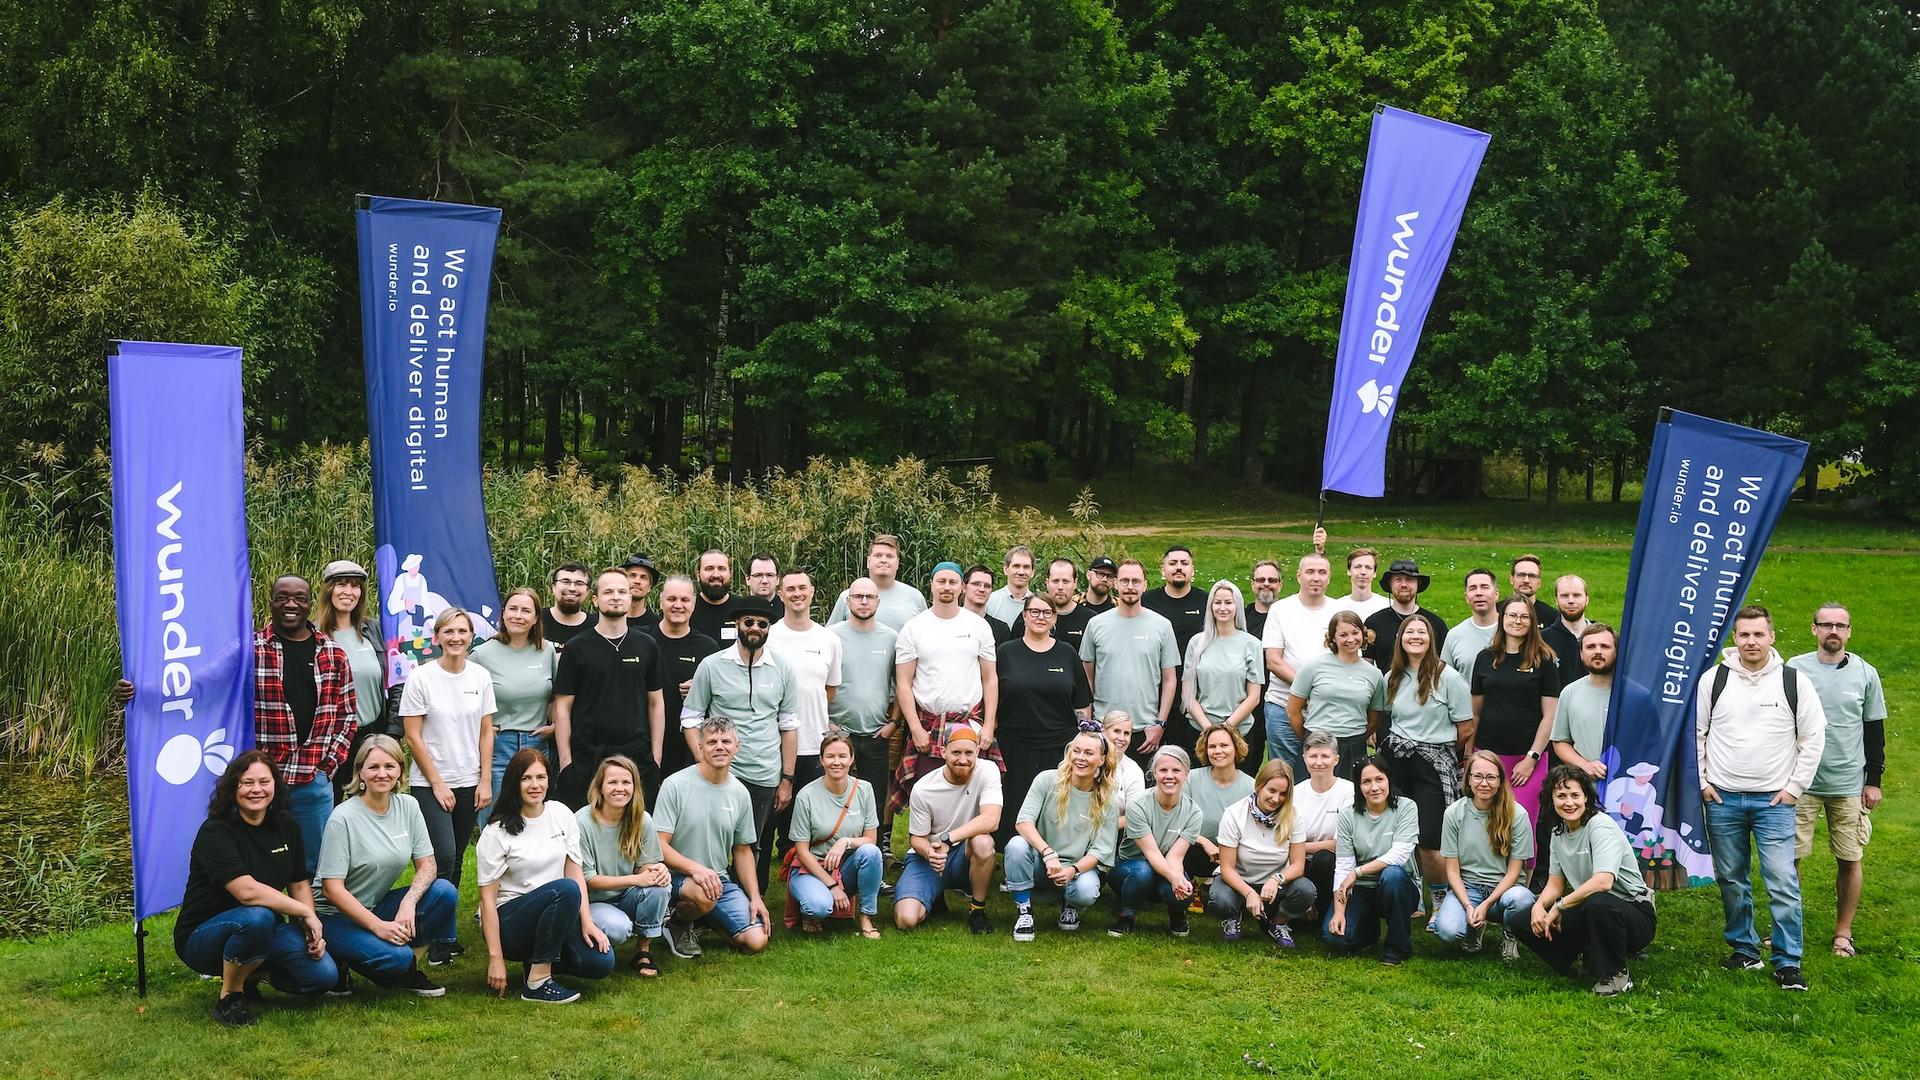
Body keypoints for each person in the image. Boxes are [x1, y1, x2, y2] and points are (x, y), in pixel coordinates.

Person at [1697, 604, 1826, 991]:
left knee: (1782, 881)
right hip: (1723, 800)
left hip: (1775, 802)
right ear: (1734, 639)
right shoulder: (1714, 680)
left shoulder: (1793, 681)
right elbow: (1696, 734)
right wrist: (1704, 783)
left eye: (1758, 634)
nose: (1751, 641)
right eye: (1744, 634)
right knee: (1732, 879)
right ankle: (1745, 949)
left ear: (1772, 637)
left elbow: (1814, 737)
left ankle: (1788, 962)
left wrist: (1794, 789)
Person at [174, 751, 339, 1026]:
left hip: (262, 930)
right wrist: (302, 911)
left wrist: (310, 927)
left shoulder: (286, 824)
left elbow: (298, 882)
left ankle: (249, 971)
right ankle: (231, 996)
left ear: (276, 784)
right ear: (232, 787)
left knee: (322, 977)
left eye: (264, 781)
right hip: (202, 938)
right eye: (247, 782)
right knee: (258, 915)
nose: (257, 790)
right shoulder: (216, 831)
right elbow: (246, 892)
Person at [314, 735, 457, 995]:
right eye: (374, 767)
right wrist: (378, 926)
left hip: (376, 904)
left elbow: (428, 865)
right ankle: (346, 960)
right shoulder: (342, 817)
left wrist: (409, 902)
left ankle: (405, 970)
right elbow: (331, 890)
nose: (382, 774)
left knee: (444, 892)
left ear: (400, 770)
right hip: (333, 916)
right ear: (361, 772)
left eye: (390, 766)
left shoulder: (409, 806)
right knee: (396, 959)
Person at [1787, 603, 1888, 958]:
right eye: (1826, 624)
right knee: (1789, 859)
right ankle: (1786, 929)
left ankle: (1843, 933)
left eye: (1840, 626)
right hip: (1799, 783)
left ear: (1849, 632)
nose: (1833, 631)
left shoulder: (1865, 673)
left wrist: (1872, 780)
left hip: (1848, 784)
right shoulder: (1794, 670)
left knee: (1849, 858)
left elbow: (1874, 730)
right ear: (1813, 629)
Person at [476, 748, 614, 1003]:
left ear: (549, 780)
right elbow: (487, 901)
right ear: (514, 783)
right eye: (526, 778)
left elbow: (575, 872)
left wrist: (587, 921)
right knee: (564, 889)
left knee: (601, 962)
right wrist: (495, 957)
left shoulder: (561, 814)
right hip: (512, 922)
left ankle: (538, 961)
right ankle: (537, 984)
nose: (535, 785)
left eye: (541, 777)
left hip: (556, 913)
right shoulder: (496, 832)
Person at [1505, 766, 1656, 995]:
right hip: (1591, 909)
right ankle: (1579, 958)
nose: (1569, 802)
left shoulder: (1600, 825)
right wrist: (1538, 906)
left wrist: (1559, 906)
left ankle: (1616, 975)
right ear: (1551, 799)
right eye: (1561, 796)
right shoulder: (1558, 832)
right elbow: (1555, 884)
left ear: (1586, 796)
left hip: (1634, 913)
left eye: (1575, 795)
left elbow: (1603, 882)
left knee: (1598, 901)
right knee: (1522, 920)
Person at [682, 594, 798, 892]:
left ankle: (751, 905)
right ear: (737, 624)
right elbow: (691, 718)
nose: (755, 628)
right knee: (714, 842)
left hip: (764, 772)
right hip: (722, 773)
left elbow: (788, 726)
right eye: (749, 622)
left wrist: (786, 778)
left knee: (753, 844)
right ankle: (709, 906)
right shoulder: (712, 665)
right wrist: (702, 760)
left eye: (762, 623)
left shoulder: (783, 668)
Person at [400, 607, 495, 959]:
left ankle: (443, 930)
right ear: (437, 637)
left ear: (472, 636)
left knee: (456, 860)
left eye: (463, 631)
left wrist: (485, 780)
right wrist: (437, 784)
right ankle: (427, 933)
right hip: (431, 783)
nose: (456, 638)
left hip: (470, 779)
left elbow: (486, 731)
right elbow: (413, 736)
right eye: (448, 632)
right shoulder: (421, 678)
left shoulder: (480, 677)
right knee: (441, 856)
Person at [256, 574, 359, 878]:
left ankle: (312, 924)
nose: (291, 604)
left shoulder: (332, 652)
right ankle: (268, 924)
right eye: (282, 597)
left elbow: (347, 716)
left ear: (310, 603)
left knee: (316, 866)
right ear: (271, 602)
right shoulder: (251, 649)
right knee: (263, 866)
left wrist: (328, 766)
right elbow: (205, 682)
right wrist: (143, 691)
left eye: (299, 598)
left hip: (313, 782)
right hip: (264, 782)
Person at [655, 718, 773, 957]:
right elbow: (659, 844)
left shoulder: (740, 793)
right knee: (703, 893)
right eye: (712, 742)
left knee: (756, 941)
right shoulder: (675, 785)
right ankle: (677, 923)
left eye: (726, 741)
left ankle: (703, 917)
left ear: (737, 747)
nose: (720, 746)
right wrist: (696, 869)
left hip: (718, 880)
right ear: (700, 747)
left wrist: (755, 897)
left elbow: (742, 849)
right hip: (676, 877)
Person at [553, 568, 667, 811]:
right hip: (586, 757)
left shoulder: (647, 646)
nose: (615, 596)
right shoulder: (576, 648)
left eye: (621, 591)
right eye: (608, 592)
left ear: (630, 598)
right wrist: (566, 762)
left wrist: (655, 759)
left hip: (637, 758)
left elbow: (656, 703)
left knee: (635, 833)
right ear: (595, 600)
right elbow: (562, 707)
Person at [1380, 613, 1471, 916]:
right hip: (1396, 760)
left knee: (1431, 838)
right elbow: (1387, 716)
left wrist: (1436, 748)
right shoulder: (1392, 676)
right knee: (1398, 833)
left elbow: (1466, 727)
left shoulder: (1448, 678)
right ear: (1400, 639)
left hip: (1432, 763)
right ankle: (1412, 896)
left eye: (1422, 632)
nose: (1415, 636)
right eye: (1409, 632)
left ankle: (1441, 899)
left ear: (1431, 639)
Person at [892, 562, 1001, 814]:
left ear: (962, 587)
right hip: (929, 725)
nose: (947, 587)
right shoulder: (914, 628)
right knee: (927, 796)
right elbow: (904, 683)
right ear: (931, 585)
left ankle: (968, 851)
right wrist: (916, 729)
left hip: (969, 724)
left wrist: (988, 725)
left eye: (953, 582)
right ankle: (921, 849)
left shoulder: (978, 626)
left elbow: (990, 679)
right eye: (941, 581)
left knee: (970, 797)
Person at [1469, 596, 1563, 880]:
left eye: (1524, 616)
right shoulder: (1485, 658)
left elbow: (1550, 715)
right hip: (1489, 758)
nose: (1517, 621)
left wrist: (1532, 758)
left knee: (1524, 825)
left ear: (1532, 621)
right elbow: (1475, 714)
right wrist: (1471, 756)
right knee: (1487, 821)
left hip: (1528, 760)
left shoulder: (1544, 659)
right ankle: (1486, 883)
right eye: (1512, 615)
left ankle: (1521, 891)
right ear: (1502, 618)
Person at [993, 592, 1094, 845]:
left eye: (1047, 612)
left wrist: (1082, 742)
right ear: (1025, 616)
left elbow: (1082, 704)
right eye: (1035, 612)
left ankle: (1055, 857)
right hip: (1014, 746)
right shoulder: (1005, 652)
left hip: (1057, 746)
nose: (1040, 617)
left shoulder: (1067, 653)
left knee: (1054, 806)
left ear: (1054, 618)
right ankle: (1014, 863)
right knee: (1014, 803)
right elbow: (992, 699)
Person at [1006, 722, 1120, 941]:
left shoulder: (1108, 801)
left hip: (1076, 869)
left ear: (1101, 760)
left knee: (1086, 891)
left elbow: (1100, 850)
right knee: (1016, 845)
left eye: (1089, 753)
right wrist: (1048, 853)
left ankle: (1070, 904)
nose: (1080, 758)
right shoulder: (1047, 780)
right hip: (1042, 861)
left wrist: (1073, 870)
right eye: (1076, 751)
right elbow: (1023, 822)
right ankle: (1024, 911)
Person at [895, 726, 1003, 933]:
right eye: (956, 753)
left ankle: (977, 911)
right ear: (943, 752)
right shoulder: (924, 788)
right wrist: (930, 853)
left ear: (977, 752)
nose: (963, 759)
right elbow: (917, 838)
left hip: (965, 853)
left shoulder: (988, 770)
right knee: (905, 920)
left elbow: (991, 820)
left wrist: (947, 839)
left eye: (969, 753)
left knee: (984, 842)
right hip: (930, 856)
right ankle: (934, 896)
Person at [767, 568, 843, 853]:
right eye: (790, 589)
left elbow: (830, 690)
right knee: (771, 817)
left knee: (804, 822)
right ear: (781, 594)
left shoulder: (829, 639)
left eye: (802, 588)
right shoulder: (770, 637)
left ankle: (798, 880)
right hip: (773, 743)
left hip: (813, 743)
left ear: (812, 592)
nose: (797, 594)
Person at [575, 756, 671, 977]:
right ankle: (592, 941)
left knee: (660, 886)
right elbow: (588, 879)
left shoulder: (642, 820)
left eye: (626, 782)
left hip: (627, 895)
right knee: (619, 929)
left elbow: (644, 867)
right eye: (612, 783)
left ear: (634, 787)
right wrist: (637, 880)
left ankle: (643, 950)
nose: (620, 789)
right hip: (593, 900)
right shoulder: (582, 822)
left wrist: (657, 871)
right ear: (600, 787)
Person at [1435, 750, 1536, 958]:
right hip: (1468, 887)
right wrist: (1468, 905)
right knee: (1447, 931)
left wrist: (1486, 905)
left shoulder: (1517, 814)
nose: (1484, 783)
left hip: (1504, 891)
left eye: (1491, 777)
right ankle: (1474, 926)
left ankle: (1510, 935)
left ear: (1500, 781)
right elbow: (1452, 870)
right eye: (1478, 776)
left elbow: (1516, 870)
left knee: (1523, 899)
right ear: (1468, 780)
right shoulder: (1454, 813)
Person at [785, 732, 884, 937]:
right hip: (811, 867)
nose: (836, 762)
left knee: (871, 853)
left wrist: (845, 842)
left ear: (852, 758)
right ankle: (811, 908)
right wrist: (832, 886)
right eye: (830, 756)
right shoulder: (806, 795)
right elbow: (802, 851)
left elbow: (871, 840)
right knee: (818, 907)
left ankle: (866, 917)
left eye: (842, 756)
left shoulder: (864, 790)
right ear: (821, 760)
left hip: (846, 866)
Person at [471, 587, 557, 823]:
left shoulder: (547, 650)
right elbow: (463, 696)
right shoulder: (482, 654)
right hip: (499, 746)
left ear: (536, 618)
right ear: (503, 614)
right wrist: (481, 728)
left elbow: (559, 695)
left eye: (526, 611)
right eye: (513, 609)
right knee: (495, 819)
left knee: (533, 819)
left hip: (537, 743)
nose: (518, 615)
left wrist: (556, 726)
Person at [1080, 558, 1178, 765]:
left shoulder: (1162, 626)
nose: (1130, 587)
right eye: (1124, 581)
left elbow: (1170, 679)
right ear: (1115, 583)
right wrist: (1088, 723)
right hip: (1104, 728)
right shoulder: (1096, 624)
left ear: (1145, 585)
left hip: (1145, 731)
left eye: (1136, 581)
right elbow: (1087, 677)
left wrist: (1160, 724)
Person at [1323, 756, 1420, 965]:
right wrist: (1339, 911)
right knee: (1335, 938)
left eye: (1379, 779)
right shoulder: (1348, 814)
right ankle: (1369, 930)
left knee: (1392, 874)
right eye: (1366, 782)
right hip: (1361, 888)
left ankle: (1398, 948)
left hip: (1398, 886)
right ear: (1358, 786)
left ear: (1388, 780)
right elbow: (1343, 866)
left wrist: (1357, 872)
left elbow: (1399, 855)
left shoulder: (1406, 807)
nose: (1374, 787)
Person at [828, 578, 901, 854]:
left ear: (878, 602)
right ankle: (829, 858)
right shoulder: (831, 636)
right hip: (837, 734)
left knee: (873, 801)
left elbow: (903, 683)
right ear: (847, 601)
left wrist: (893, 723)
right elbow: (817, 680)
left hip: (875, 734)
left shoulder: (891, 638)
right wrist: (827, 721)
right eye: (857, 596)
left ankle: (873, 862)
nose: (863, 601)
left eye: (869, 597)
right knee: (834, 796)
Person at [1212, 759, 1318, 948]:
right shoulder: (1234, 814)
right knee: (1220, 899)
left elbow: (1298, 865)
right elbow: (1226, 867)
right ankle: (1233, 916)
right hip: (1238, 880)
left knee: (1307, 891)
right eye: (1271, 790)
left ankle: (1277, 923)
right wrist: (1248, 893)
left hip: (1275, 883)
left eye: (1283, 794)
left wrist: (1276, 879)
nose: (1276, 798)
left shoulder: (1294, 815)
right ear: (1259, 785)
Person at [317, 560, 389, 803]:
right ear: (329, 590)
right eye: (341, 585)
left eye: (355, 586)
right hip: (332, 738)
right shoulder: (314, 634)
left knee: (370, 805)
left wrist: (393, 733)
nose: (348, 592)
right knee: (332, 804)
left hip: (370, 734)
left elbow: (396, 678)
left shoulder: (373, 630)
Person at [1112, 745, 1202, 936]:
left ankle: (1177, 913)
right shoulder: (1138, 806)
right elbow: (1151, 853)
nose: (1169, 776)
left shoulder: (1194, 812)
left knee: (1185, 888)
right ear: (1154, 773)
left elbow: (1176, 857)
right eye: (1163, 770)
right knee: (1143, 871)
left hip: (1165, 867)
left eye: (1176, 770)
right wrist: (1175, 878)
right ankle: (1126, 915)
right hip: (1130, 868)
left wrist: (1179, 882)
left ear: (1186, 775)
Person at [1287, 610, 1386, 781]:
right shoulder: (1314, 666)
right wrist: (1309, 738)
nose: (1350, 639)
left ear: (1363, 634)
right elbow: (1293, 710)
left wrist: (1353, 736)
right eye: (1343, 634)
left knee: (1350, 800)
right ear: (1332, 637)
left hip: (1353, 747)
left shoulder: (1374, 674)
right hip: (1317, 744)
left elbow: (1374, 720)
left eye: (1355, 633)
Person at [1261, 552, 1337, 775]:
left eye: (1322, 572)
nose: (1316, 578)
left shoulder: (1338, 611)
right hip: (1282, 705)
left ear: (1329, 578)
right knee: (1284, 774)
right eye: (1310, 572)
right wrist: (1307, 687)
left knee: (1321, 771)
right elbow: (1274, 661)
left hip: (1325, 708)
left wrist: (1319, 691)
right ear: (1298, 576)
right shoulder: (1281, 610)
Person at [650, 576, 722, 782]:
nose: (678, 605)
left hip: (689, 750)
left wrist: (701, 690)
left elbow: (720, 700)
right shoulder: (643, 641)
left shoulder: (708, 648)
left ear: (693, 604)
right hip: (646, 746)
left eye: (684, 600)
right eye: (672, 599)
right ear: (661, 601)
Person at [1181, 581, 1264, 747]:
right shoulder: (1196, 643)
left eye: (1228, 602)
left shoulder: (1251, 644)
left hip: (1239, 732)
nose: (1222, 608)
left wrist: (1227, 728)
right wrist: (1208, 729)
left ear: (1237, 606)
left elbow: (1253, 697)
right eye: (1217, 602)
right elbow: (1188, 694)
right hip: (1200, 730)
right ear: (1210, 606)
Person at [1186, 724, 1255, 904]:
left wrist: (1227, 850)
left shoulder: (1251, 786)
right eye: (1212, 746)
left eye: (1224, 745)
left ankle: (1225, 886)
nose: (1218, 751)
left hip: (1235, 854)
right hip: (1196, 848)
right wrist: (1204, 842)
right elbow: (1176, 821)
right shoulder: (1191, 779)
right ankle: (1189, 884)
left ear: (1236, 747)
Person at [1294, 732, 1352, 917]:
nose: (1319, 762)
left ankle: (1324, 910)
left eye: (1325, 756)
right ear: (1304, 759)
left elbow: (1340, 844)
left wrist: (1299, 847)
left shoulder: (1349, 792)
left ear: (1336, 759)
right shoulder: (1295, 793)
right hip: (1298, 862)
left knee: (1324, 859)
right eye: (1313, 756)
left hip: (1333, 863)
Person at [1550, 624, 1617, 780]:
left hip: (1627, 789)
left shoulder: (1633, 695)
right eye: (1591, 646)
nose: (1598, 651)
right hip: (1585, 790)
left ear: (1617, 651)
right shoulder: (1569, 693)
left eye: (1605, 646)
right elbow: (1560, 741)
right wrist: (1585, 766)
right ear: (1581, 653)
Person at [1362, 559, 1449, 673]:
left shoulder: (1436, 624)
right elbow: (1366, 668)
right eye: (1398, 580)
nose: (1403, 585)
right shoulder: (1374, 623)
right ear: (1390, 583)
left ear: (1418, 584)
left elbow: (1445, 667)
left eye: (1409, 580)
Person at [827, 534, 928, 631]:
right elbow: (828, 638)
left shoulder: (914, 596)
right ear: (868, 561)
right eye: (878, 555)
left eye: (889, 556)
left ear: (897, 563)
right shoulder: (848, 597)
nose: (883, 560)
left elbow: (926, 636)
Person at [1241, 559, 1285, 777]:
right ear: (1252, 584)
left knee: (1282, 765)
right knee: (1248, 763)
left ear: (1281, 585)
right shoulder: (1241, 618)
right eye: (1260, 580)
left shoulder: (1289, 615)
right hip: (1250, 702)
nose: (1266, 584)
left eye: (1272, 580)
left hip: (1283, 700)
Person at [1142, 545, 1206, 673]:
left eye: (1184, 563)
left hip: (1195, 678)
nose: (1178, 567)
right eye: (1172, 563)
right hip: (1156, 677)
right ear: (1163, 570)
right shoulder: (1146, 601)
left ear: (1192, 570)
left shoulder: (1207, 601)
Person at [1441, 568, 1501, 674]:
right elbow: (1444, 681)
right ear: (1466, 597)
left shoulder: (1513, 630)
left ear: (1496, 594)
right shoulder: (1454, 636)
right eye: (1473, 588)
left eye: (1484, 587)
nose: (1478, 593)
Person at [1539, 574, 1592, 685]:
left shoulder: (1603, 637)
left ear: (1587, 599)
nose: (1571, 600)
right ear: (1556, 600)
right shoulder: (1542, 640)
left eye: (1577, 595)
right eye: (1564, 596)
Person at [1045, 557, 1095, 653]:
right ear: (1047, 583)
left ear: (1075, 583)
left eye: (1065, 581)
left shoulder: (1090, 620)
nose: (1060, 587)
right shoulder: (1033, 617)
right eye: (1055, 581)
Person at [1102, 709, 1147, 811]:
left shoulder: (1134, 770)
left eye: (1126, 733)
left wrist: (1106, 826)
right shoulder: (1088, 760)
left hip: (1117, 825)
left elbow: (1134, 815)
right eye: (1116, 731)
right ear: (1103, 731)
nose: (1121, 738)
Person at [690, 549, 737, 643]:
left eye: (721, 568)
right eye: (709, 568)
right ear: (698, 575)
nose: (716, 575)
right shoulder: (686, 609)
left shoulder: (743, 609)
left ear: (730, 574)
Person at [542, 562, 593, 649]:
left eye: (579, 583)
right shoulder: (535, 619)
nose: (572, 588)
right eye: (565, 582)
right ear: (553, 587)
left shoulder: (596, 627)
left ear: (588, 591)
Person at [962, 563, 1016, 642]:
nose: (982, 589)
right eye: (976, 584)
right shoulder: (950, 622)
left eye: (987, 586)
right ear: (963, 587)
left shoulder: (1001, 629)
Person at [986, 545, 1037, 626]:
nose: (1021, 572)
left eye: (1026, 567)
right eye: (1016, 566)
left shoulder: (1038, 604)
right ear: (1006, 570)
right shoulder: (990, 601)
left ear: (1032, 572)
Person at [1507, 554, 1556, 629]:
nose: (1526, 580)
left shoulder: (1552, 617)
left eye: (1532, 576)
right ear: (1511, 579)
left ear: (1539, 583)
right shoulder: (1497, 612)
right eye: (1521, 575)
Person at [1337, 548, 1388, 620]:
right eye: (1357, 567)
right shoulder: (1337, 607)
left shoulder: (1386, 606)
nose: (1363, 572)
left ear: (1374, 573)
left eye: (1368, 567)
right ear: (1349, 571)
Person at [622, 554, 662, 630]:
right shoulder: (607, 620)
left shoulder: (658, 626)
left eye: (643, 577)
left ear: (650, 587)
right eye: (632, 575)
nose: (637, 581)